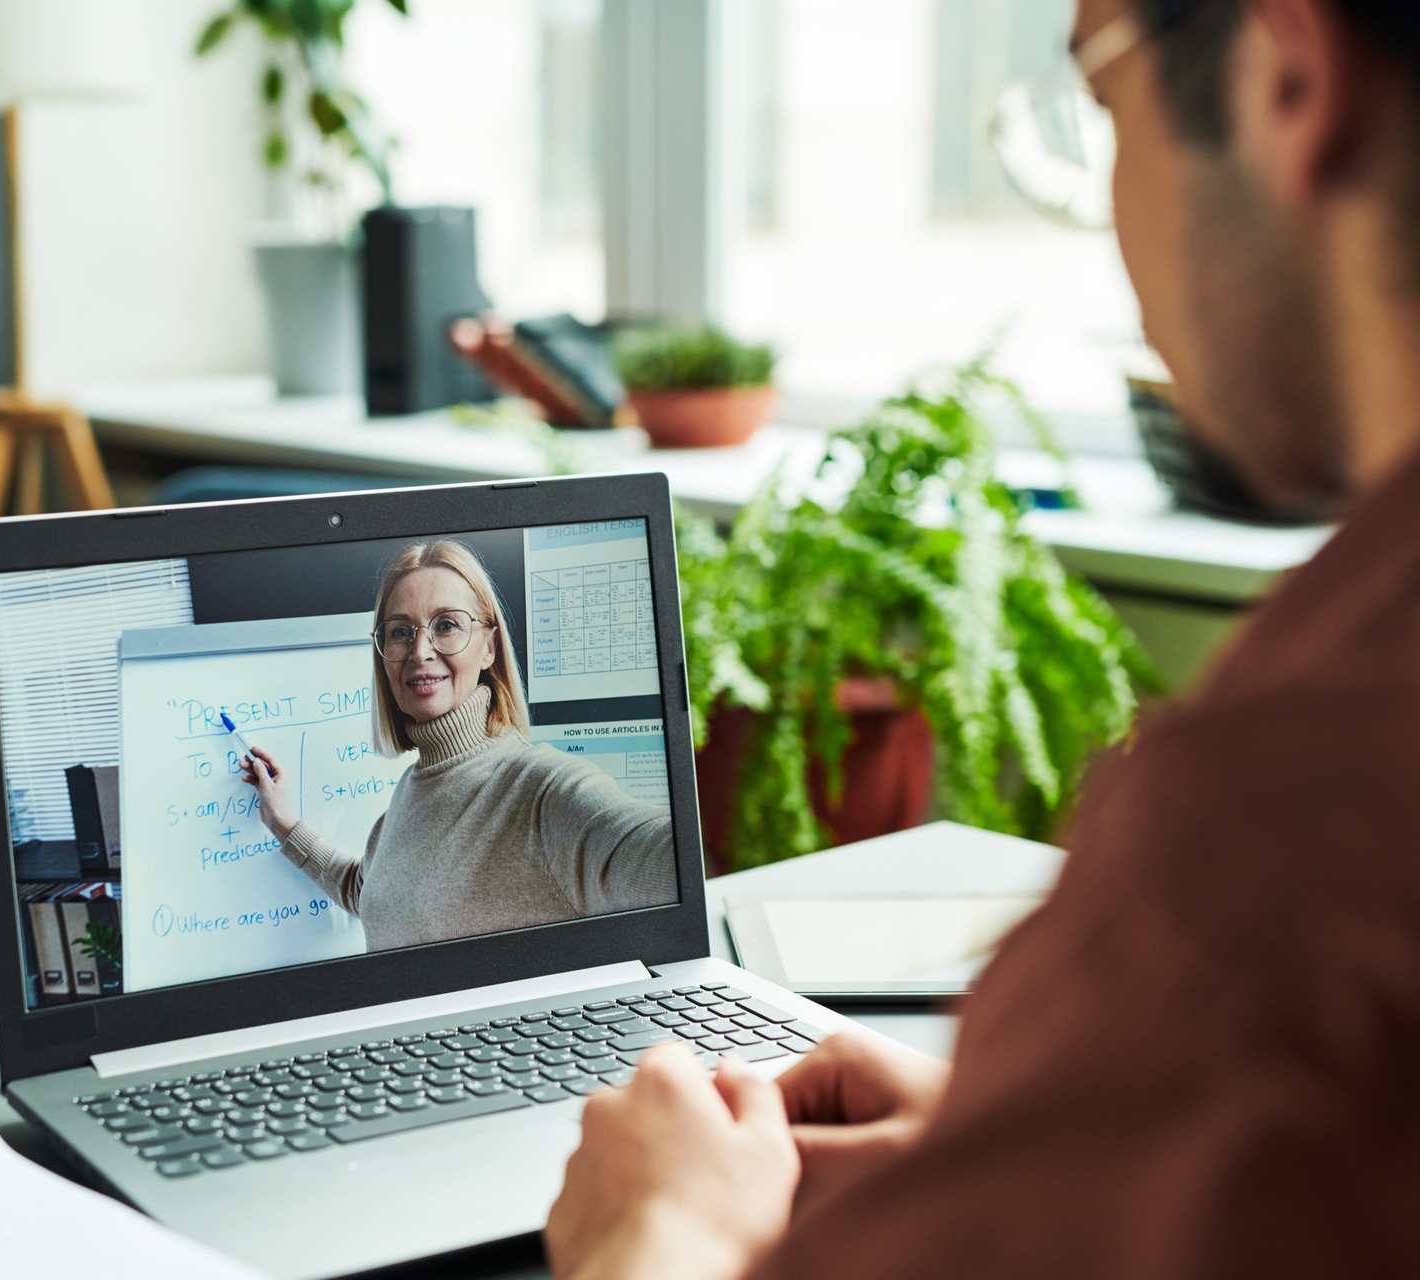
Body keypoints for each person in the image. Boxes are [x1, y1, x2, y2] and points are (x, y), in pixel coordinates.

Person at [545, 0, 1420, 1275]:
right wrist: (1031, 1143)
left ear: (1292, 73)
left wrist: (660, 1231)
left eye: (1102, 104)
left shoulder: (1277, 839)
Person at [238, 538, 676, 950]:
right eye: (400, 632)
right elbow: (369, 892)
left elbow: (652, 853)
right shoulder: (408, 794)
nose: (420, 651)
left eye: (446, 625)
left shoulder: (545, 790)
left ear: (489, 647)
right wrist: (282, 823)